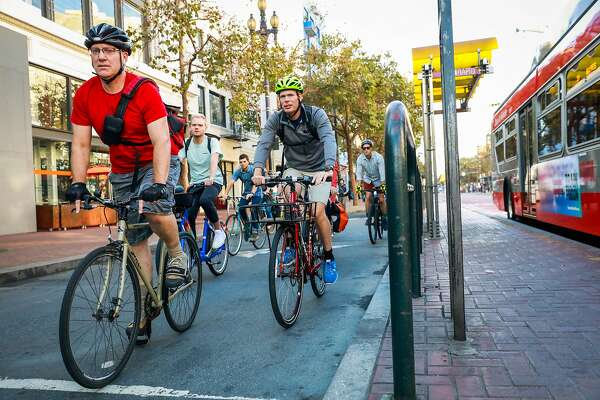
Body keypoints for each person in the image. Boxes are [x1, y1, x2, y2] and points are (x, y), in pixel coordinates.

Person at [66, 23, 186, 343]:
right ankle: (145, 315)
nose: (101, 57)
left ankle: (176, 252)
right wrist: (77, 182)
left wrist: (160, 184)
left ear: (124, 56)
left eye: (108, 51)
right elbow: (80, 144)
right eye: (95, 51)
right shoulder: (85, 94)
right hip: (121, 168)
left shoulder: (144, 90)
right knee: (134, 240)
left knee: (156, 210)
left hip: (156, 159)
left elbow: (161, 141)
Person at [251, 75, 339, 284]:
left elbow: (328, 138)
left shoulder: (316, 114)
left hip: (319, 169)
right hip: (295, 168)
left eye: (290, 95)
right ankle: (290, 244)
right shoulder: (276, 119)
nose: (286, 100)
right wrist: (257, 170)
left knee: (317, 211)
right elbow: (264, 143)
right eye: (282, 96)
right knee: (286, 203)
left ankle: (328, 257)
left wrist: (328, 168)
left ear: (300, 96)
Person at [179, 114, 226, 249]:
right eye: (194, 125)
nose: (197, 127)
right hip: (196, 184)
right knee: (190, 214)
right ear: (190, 127)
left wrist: (211, 177)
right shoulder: (186, 144)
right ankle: (193, 248)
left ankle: (218, 231)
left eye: (200, 125)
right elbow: (178, 161)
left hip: (213, 181)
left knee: (205, 200)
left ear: (205, 127)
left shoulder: (212, 142)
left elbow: (214, 159)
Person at [224, 154, 263, 242]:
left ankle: (256, 230)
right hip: (246, 193)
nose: (242, 163)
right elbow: (231, 182)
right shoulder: (238, 171)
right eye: (240, 162)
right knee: (240, 208)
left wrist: (252, 193)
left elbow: (255, 183)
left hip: (256, 192)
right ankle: (247, 224)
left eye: (244, 161)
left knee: (253, 208)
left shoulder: (253, 169)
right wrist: (225, 194)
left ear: (248, 162)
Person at [356, 139, 387, 229]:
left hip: (379, 179)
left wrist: (383, 187)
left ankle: (384, 218)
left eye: (368, 148)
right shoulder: (360, 159)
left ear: (371, 149)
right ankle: (368, 217)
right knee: (368, 197)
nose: (366, 150)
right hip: (368, 179)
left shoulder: (379, 157)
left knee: (381, 199)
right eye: (364, 148)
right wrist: (358, 188)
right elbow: (359, 174)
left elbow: (382, 174)